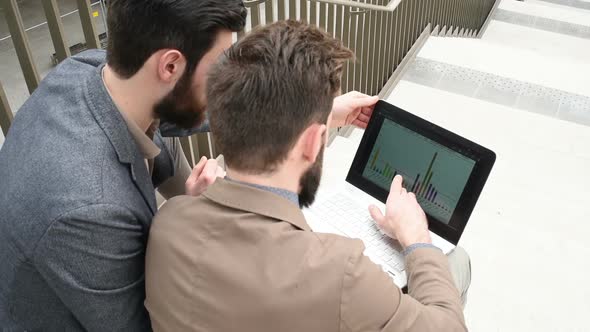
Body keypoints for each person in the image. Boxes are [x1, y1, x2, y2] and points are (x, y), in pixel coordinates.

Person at [0, 1, 379, 330]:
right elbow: (156, 322)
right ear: (170, 65)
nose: (224, 83)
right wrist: (196, 213)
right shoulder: (88, 208)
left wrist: (312, 115)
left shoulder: (97, 71)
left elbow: (193, 108)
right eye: (217, 68)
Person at [145, 20, 471, 332]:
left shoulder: (169, 220)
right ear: (315, 141)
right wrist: (416, 239)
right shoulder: (340, 272)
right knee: (458, 262)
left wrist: (321, 116)